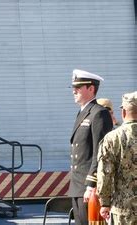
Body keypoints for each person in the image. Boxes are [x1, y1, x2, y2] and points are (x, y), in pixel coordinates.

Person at [68, 69, 113, 225]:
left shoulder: (99, 113)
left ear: (91, 89)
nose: (74, 91)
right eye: (73, 87)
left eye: (78, 87)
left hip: (88, 187)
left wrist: (91, 185)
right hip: (77, 185)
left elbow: (99, 153)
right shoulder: (83, 112)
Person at [97, 91, 137, 225]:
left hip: (122, 209)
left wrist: (104, 203)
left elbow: (105, 173)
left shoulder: (112, 138)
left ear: (124, 112)